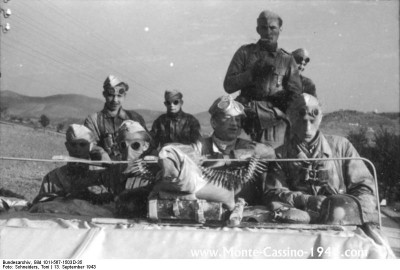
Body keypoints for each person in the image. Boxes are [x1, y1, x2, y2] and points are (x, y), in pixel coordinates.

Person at [263, 93, 377, 224]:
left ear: (321, 117)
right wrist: (306, 200)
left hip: (340, 218)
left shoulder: (342, 147)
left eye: (312, 121)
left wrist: (346, 208)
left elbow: (364, 186)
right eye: (302, 121)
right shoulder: (280, 155)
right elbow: (273, 192)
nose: (307, 128)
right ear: (291, 119)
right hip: (298, 218)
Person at [151, 95, 276, 210]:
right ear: (214, 123)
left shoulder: (248, 146)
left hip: (246, 209)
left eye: (237, 120)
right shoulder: (200, 145)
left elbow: (269, 153)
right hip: (204, 208)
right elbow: (173, 152)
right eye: (228, 118)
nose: (234, 124)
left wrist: (229, 158)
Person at [223, 10, 302, 148]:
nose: (268, 32)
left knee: (271, 164)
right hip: (245, 121)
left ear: (280, 29)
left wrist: (278, 112)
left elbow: (296, 96)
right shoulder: (245, 53)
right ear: (258, 30)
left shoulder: (287, 60)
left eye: (273, 28)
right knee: (242, 164)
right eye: (264, 28)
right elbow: (228, 85)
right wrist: (252, 74)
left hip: (273, 125)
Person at [30, 124, 121, 217]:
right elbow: (39, 206)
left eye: (82, 144)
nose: (77, 149)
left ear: (91, 146)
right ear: (67, 146)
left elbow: (116, 206)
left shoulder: (104, 175)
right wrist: (67, 198)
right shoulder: (53, 177)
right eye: (73, 144)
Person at [84, 75, 148, 160]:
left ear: (125, 96)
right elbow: (89, 144)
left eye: (119, 96)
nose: (115, 100)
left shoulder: (135, 118)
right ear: (104, 94)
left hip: (133, 166)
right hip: (105, 167)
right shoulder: (93, 120)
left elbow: (148, 142)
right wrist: (100, 152)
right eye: (111, 95)